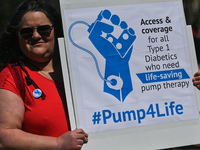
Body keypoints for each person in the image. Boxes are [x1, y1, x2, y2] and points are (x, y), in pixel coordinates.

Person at [0, 0, 88, 149]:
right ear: (17, 37)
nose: (35, 36)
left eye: (44, 29)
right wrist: (57, 144)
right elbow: (4, 136)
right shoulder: (12, 77)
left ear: (57, 30)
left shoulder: (82, 67)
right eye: (27, 32)